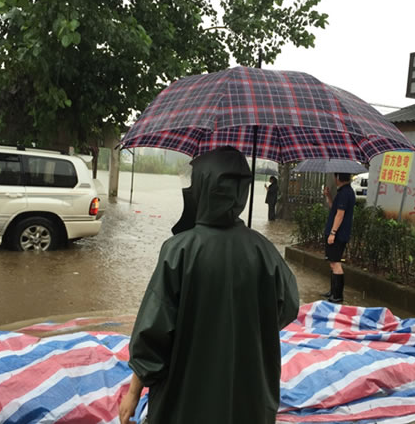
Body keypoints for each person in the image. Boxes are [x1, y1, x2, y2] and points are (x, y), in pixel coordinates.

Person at [119, 146, 299, 424]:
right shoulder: (265, 252)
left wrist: (133, 392)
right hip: (248, 398)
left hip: (185, 399)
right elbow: (288, 308)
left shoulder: (179, 251)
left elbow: (152, 333)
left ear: (205, 188)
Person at [322, 172, 356, 303]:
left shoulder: (344, 193)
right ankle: (333, 291)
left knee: (335, 263)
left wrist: (333, 233)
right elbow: (334, 209)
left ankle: (337, 295)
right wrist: (329, 197)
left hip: (338, 234)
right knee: (332, 262)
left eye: (334, 177)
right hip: (338, 233)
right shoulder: (344, 192)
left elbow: (340, 215)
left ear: (338, 178)